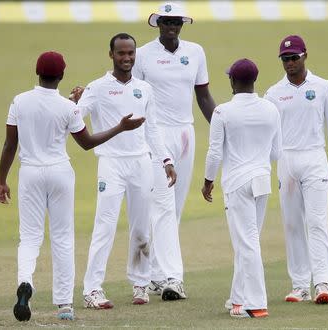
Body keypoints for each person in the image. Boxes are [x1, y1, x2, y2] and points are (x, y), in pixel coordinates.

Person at [0, 51, 145, 322]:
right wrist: (120, 128)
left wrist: (1, 180)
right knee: (62, 237)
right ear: (62, 75)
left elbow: (9, 145)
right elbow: (87, 142)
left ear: (37, 73)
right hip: (60, 173)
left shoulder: (20, 101)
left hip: (29, 173)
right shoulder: (68, 108)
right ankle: (64, 304)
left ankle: (25, 281)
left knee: (29, 237)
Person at [73, 33, 176, 309]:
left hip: (141, 162)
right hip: (111, 163)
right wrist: (73, 101)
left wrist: (166, 160)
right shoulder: (97, 87)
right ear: (111, 55)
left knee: (142, 227)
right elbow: (75, 116)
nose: (127, 58)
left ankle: (141, 284)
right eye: (121, 53)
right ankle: (92, 289)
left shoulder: (144, 88)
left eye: (130, 53)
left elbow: (152, 127)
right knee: (104, 226)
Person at [132, 1, 216, 300]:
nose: (171, 26)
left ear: (183, 24)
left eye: (177, 21)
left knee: (174, 209)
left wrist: (222, 126)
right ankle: (172, 278)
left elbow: (203, 96)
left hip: (185, 134)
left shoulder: (195, 52)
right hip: (155, 135)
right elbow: (134, 96)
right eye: (166, 21)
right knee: (163, 206)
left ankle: (155, 274)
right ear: (157, 23)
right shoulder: (142, 54)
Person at [264, 35, 328, 304]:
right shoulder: (273, 93)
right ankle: (299, 285)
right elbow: (268, 134)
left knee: (317, 221)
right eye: (285, 59)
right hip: (286, 160)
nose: (289, 63)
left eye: (294, 57)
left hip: (314, 158)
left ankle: (323, 283)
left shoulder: (323, 87)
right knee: (292, 224)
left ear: (305, 56)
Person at [202, 59, 282, 318]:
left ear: (233, 82)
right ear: (254, 81)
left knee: (246, 243)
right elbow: (276, 152)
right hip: (261, 179)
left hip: (237, 183)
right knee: (248, 240)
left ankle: (255, 304)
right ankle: (238, 297)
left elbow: (214, 153)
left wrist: (207, 181)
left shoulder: (222, 112)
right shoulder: (271, 109)